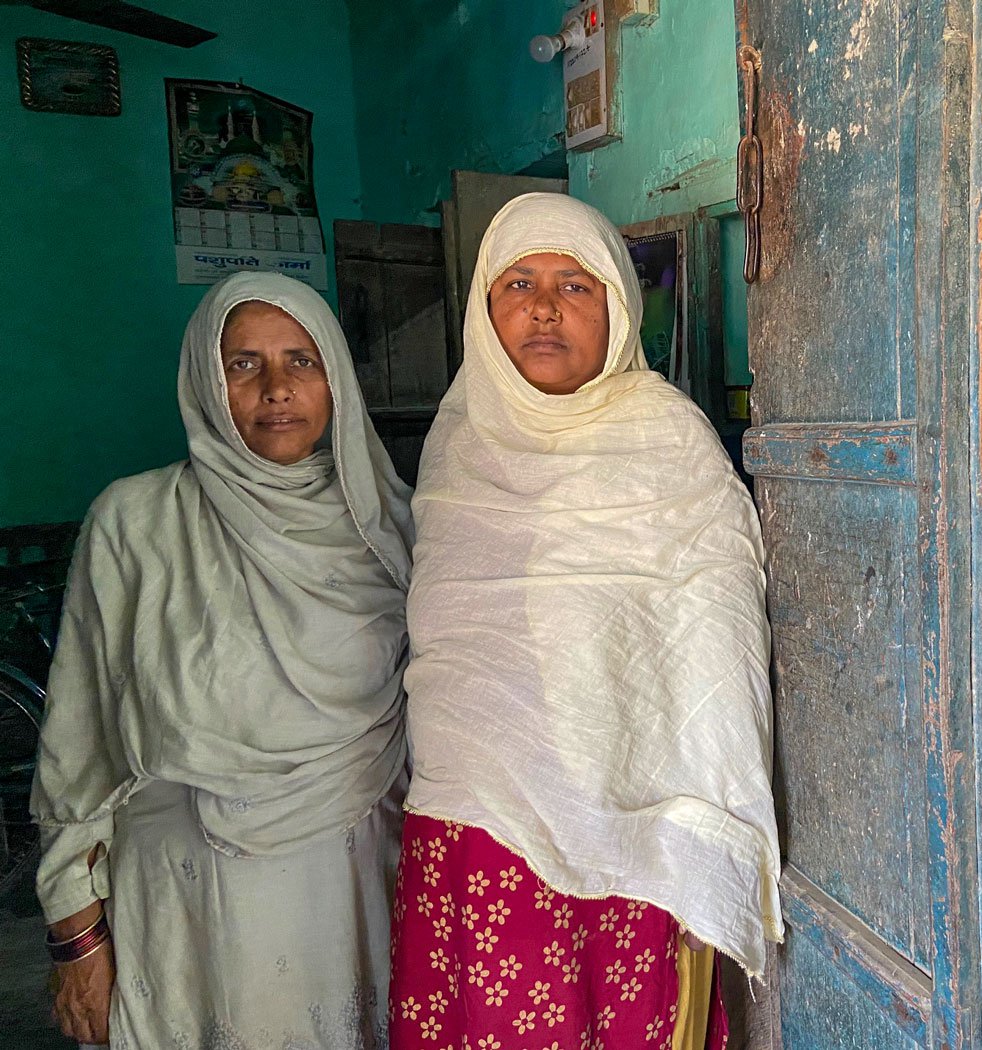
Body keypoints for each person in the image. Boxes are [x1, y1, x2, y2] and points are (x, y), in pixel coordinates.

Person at [390, 193, 782, 1050]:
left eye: (577, 285)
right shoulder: (458, 449)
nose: (542, 306)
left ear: (619, 307)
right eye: (518, 281)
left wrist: (702, 827)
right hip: (476, 831)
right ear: (483, 310)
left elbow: (717, 647)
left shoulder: (669, 443)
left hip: (634, 840)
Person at [30, 272, 414, 1049]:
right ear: (207, 381)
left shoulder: (392, 529)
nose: (277, 388)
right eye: (244, 364)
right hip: (189, 910)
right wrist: (76, 934)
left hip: (357, 897)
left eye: (302, 361)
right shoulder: (134, 524)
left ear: (336, 378)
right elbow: (78, 741)